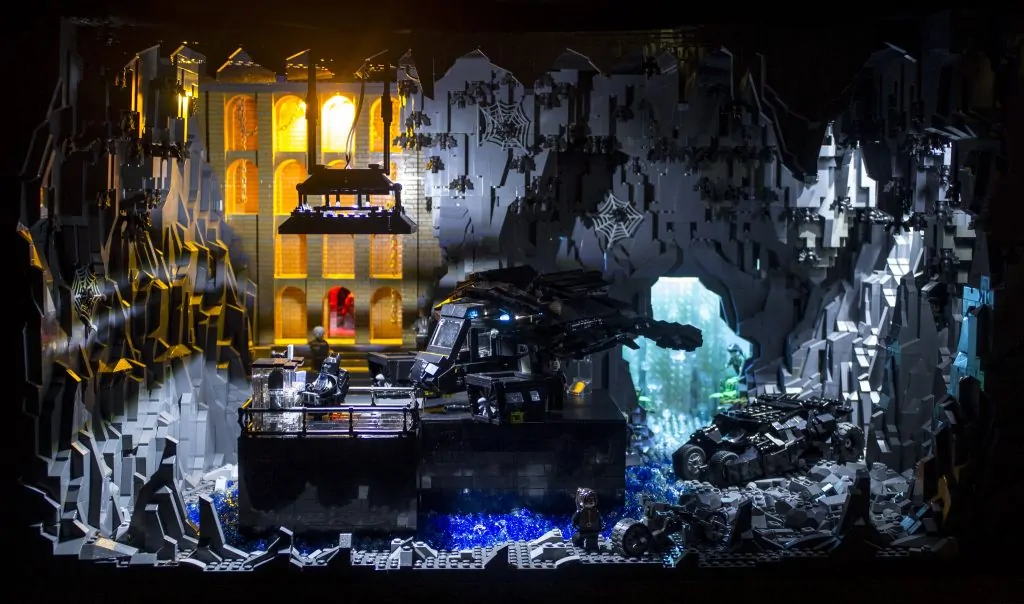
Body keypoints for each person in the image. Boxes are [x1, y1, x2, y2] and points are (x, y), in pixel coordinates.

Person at [570, 487, 604, 551]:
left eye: (592, 499)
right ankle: (579, 544)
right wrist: (575, 525)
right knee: (577, 540)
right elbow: (574, 519)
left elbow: (600, 519)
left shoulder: (596, 512)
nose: (591, 502)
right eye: (588, 500)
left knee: (592, 543)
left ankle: (592, 548)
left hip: (593, 531)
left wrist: (602, 525)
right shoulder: (580, 512)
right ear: (582, 500)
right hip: (583, 531)